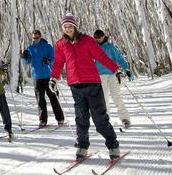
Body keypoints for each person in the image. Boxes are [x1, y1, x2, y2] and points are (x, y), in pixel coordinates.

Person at [49, 13, 124, 160]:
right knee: (81, 118)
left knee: (100, 119)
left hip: (93, 84)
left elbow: (101, 57)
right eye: (65, 27)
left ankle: (113, 145)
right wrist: (53, 78)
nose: (68, 29)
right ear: (62, 28)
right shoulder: (60, 44)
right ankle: (83, 146)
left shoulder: (87, 41)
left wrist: (116, 69)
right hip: (75, 86)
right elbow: (58, 63)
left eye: (71, 26)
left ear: (75, 26)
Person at [22, 29, 65, 127]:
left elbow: (54, 60)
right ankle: (43, 120)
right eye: (34, 38)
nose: (36, 39)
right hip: (37, 77)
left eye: (37, 37)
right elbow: (27, 62)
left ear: (40, 37)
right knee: (40, 100)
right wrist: (24, 57)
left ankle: (60, 118)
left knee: (53, 98)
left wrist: (48, 61)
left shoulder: (47, 47)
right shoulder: (30, 48)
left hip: (48, 75)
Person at [93, 29, 132, 128]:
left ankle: (125, 118)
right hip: (100, 76)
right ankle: (106, 120)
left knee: (117, 96)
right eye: (96, 37)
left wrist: (126, 69)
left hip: (112, 74)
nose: (98, 39)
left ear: (104, 36)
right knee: (104, 99)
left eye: (100, 36)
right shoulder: (94, 48)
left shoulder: (110, 47)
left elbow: (119, 58)